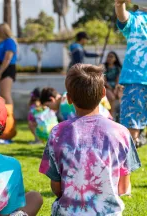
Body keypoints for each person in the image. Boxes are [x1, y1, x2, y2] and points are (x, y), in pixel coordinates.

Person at [39, 64, 141, 215]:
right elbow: (123, 187)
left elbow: (56, 187)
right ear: (103, 93)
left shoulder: (57, 133)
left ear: (69, 99)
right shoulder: (121, 133)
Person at [115, 0, 147, 147]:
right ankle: (130, 156)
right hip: (136, 79)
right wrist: (119, 4)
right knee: (131, 124)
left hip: (135, 79)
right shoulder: (135, 19)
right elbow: (123, 17)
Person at [0, 23, 17, 105]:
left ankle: (10, 116)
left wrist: (0, 73)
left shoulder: (9, 42)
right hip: (0, 68)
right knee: (2, 95)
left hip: (7, 69)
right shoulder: (1, 43)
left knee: (6, 94)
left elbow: (7, 58)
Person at [104, 51, 122, 117]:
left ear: (115, 59)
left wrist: (116, 88)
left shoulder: (117, 68)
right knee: (112, 97)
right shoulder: (104, 67)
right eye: (108, 56)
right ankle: (111, 116)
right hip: (106, 86)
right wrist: (111, 88)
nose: (109, 58)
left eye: (111, 56)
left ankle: (119, 115)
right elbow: (104, 80)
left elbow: (117, 80)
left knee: (120, 95)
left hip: (115, 86)